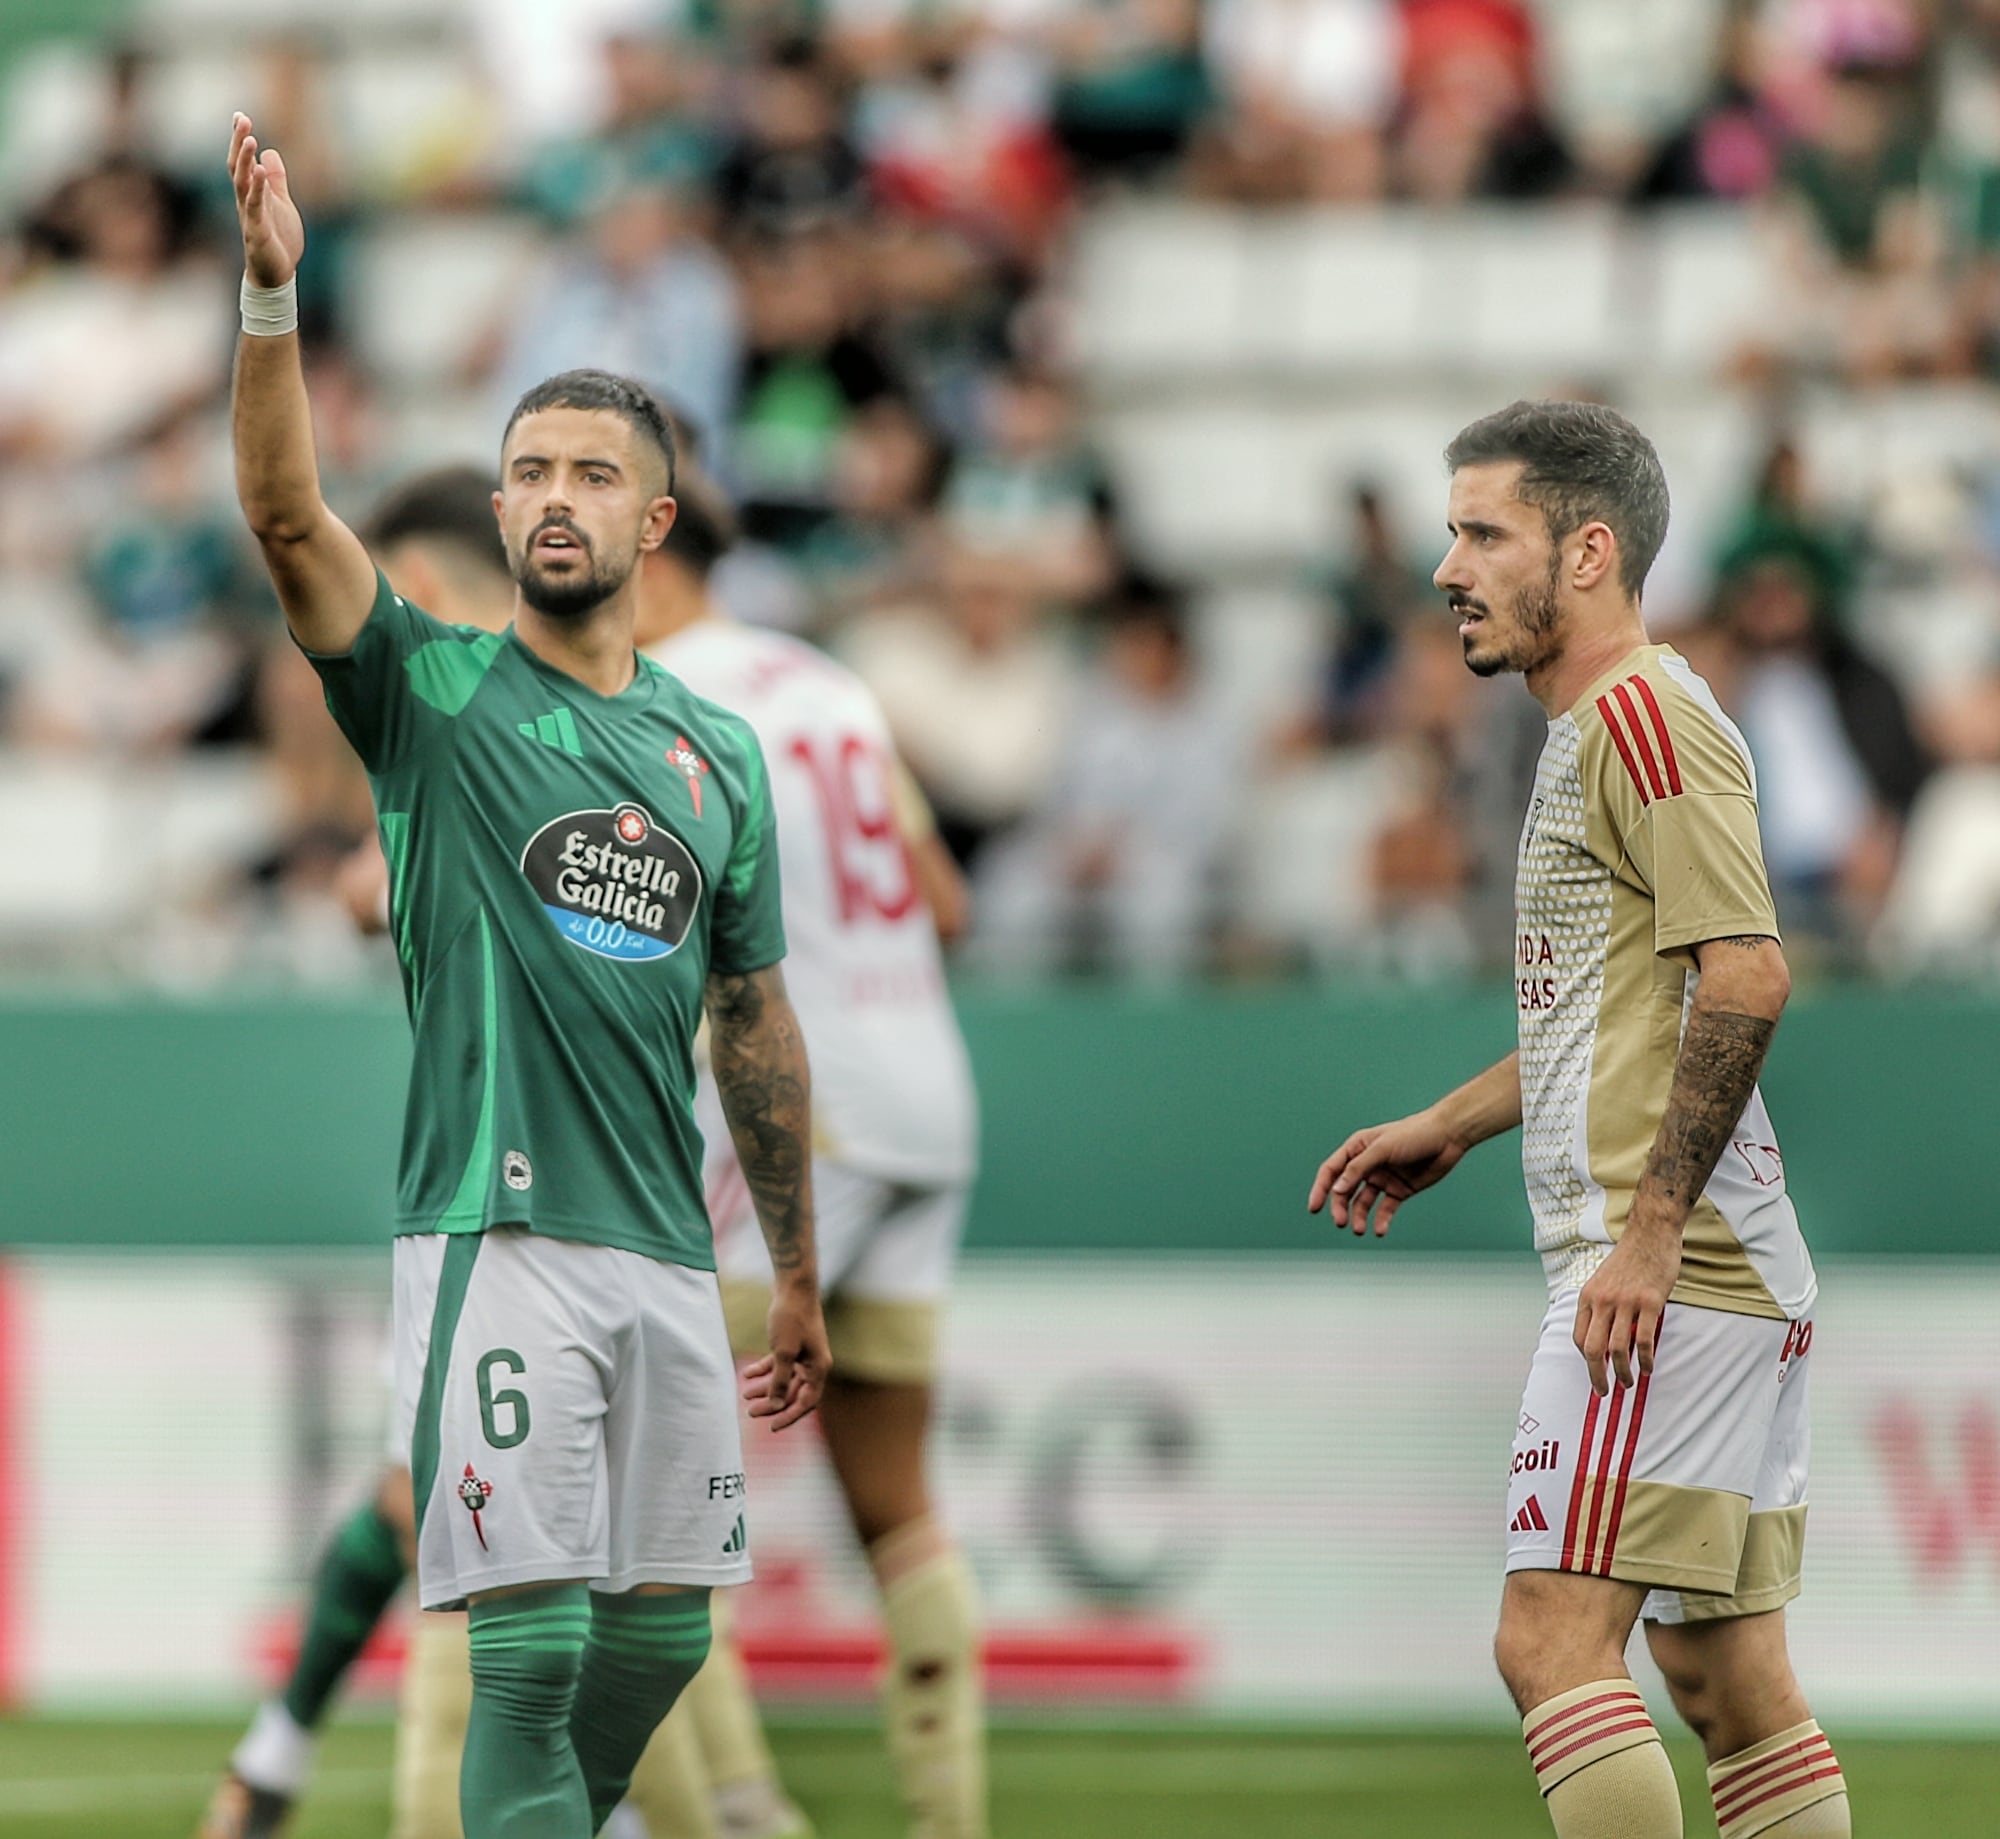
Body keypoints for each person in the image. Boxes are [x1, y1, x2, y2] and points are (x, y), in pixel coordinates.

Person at [224, 113, 829, 1839]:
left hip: (667, 1243)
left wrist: (789, 1266)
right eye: (531, 473)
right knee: (535, 1649)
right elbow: (282, 514)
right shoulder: (437, 693)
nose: (557, 499)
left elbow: (755, 1018)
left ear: (654, 514)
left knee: (659, 1640)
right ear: (499, 511)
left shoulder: (718, 751)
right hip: (497, 1236)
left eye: (590, 474)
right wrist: (272, 301)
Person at [387, 465, 987, 1839]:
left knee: (611, 1508)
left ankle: (731, 1814)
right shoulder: (830, 683)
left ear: (651, 545)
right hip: (930, 1091)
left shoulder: (667, 703)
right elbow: (942, 897)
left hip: (794, 1099)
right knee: (897, 1506)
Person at [1309, 400, 1850, 1839]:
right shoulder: (1596, 725)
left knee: (1550, 1643)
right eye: (1452, 531)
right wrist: (1457, 1117)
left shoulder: (1642, 717)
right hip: (1715, 1271)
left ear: (1589, 551)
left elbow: (1747, 971)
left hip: (1670, 1268)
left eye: (1485, 532)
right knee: (1727, 1682)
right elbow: (1616, 1008)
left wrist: (1651, 1239)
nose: (1449, 567)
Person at [195, 466, 526, 1839]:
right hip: (664, 1189)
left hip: (526, 1186)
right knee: (465, 1510)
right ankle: (275, 1760)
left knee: (469, 1519)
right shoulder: (659, 708)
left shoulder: (474, 699)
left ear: (425, 589)